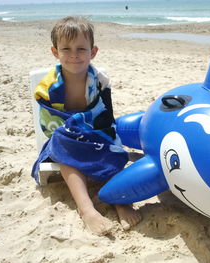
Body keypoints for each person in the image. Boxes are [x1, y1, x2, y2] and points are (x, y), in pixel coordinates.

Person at [32, 16, 142, 236]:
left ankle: (120, 200)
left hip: (95, 133)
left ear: (93, 52)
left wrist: (99, 135)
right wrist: (74, 132)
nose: (74, 54)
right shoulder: (48, 87)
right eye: (66, 48)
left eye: (81, 48)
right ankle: (86, 209)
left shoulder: (100, 80)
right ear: (55, 52)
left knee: (112, 147)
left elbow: (105, 115)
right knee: (64, 148)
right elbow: (49, 125)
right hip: (65, 138)